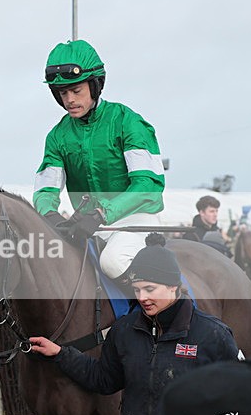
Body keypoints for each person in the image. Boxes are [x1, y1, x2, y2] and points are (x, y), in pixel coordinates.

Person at [28, 234, 240, 415]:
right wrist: (61, 353)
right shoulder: (124, 331)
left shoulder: (213, 334)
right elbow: (104, 379)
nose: (142, 298)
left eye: (150, 289)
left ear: (174, 287)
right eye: (137, 290)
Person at [33, 39, 165, 282]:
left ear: (95, 87)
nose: (69, 100)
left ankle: (156, 316)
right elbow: (45, 190)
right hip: (88, 226)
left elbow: (148, 186)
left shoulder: (128, 122)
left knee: (112, 262)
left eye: (76, 91)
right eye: (63, 93)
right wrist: (50, 214)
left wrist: (102, 213)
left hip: (136, 220)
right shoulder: (57, 136)